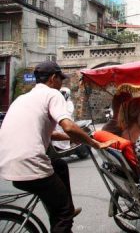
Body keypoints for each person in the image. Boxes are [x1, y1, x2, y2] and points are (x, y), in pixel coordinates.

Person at [0, 61, 116, 233]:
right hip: (30, 164)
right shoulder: (53, 95)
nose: (61, 83)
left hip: (8, 163)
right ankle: (65, 212)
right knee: (63, 215)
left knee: (60, 166)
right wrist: (93, 143)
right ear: (53, 78)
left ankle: (67, 207)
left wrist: (75, 139)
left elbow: (53, 133)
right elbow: (69, 126)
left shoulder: (22, 98)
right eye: (60, 79)